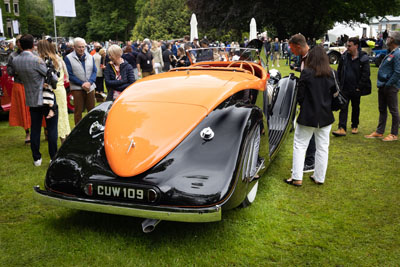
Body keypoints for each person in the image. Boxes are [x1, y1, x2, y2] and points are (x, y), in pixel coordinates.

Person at [285, 46, 336, 186]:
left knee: (300, 145)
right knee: (322, 147)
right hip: (325, 115)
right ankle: (319, 177)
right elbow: (334, 94)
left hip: (308, 114)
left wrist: (303, 104)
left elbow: (300, 95)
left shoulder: (306, 73)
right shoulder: (332, 73)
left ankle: (297, 177)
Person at [12, 34, 58, 166]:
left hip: (31, 98)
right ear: (33, 45)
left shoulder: (16, 60)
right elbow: (52, 77)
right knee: (52, 128)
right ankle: (53, 156)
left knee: (35, 129)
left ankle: (36, 158)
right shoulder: (36, 60)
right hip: (45, 97)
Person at [365, 31, 400, 141]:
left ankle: (394, 134)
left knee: (393, 110)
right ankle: (379, 131)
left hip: (390, 86)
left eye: (389, 37)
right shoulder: (390, 52)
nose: (386, 39)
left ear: (393, 40)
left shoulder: (398, 53)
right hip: (383, 86)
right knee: (382, 109)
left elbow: (398, 72)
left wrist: (388, 84)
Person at [332, 37, 371, 136]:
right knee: (343, 107)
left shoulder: (363, 58)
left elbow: (366, 74)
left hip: (356, 88)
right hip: (345, 87)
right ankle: (341, 128)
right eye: (347, 45)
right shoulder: (344, 57)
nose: (347, 48)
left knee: (355, 107)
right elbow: (339, 70)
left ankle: (354, 125)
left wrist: (359, 87)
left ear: (356, 46)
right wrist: (339, 84)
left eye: (349, 46)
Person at [289, 33, 315, 173]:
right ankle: (310, 160)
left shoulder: (312, 58)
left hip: (312, 100)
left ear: (299, 46)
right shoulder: (304, 57)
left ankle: (310, 161)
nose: (292, 51)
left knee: (308, 132)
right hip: (308, 100)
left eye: (293, 49)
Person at [37, 40, 71, 144]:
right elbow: (67, 76)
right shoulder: (58, 59)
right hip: (60, 89)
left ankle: (61, 139)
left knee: (55, 116)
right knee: (63, 114)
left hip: (51, 90)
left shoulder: (42, 61)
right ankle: (65, 137)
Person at [64, 37, 97, 125]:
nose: (82, 49)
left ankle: (92, 129)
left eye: (83, 47)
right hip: (77, 88)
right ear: (74, 47)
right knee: (78, 112)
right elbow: (69, 74)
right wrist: (82, 84)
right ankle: (78, 133)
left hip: (90, 87)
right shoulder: (68, 58)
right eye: (79, 47)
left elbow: (94, 71)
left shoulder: (90, 57)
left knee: (91, 111)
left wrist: (89, 82)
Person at [7, 35, 31, 144]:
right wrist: (18, 71)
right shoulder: (12, 55)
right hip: (20, 84)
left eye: (21, 42)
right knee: (23, 109)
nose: (19, 44)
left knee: (36, 108)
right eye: (18, 42)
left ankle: (45, 129)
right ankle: (27, 132)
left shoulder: (32, 53)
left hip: (31, 84)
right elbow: (9, 71)